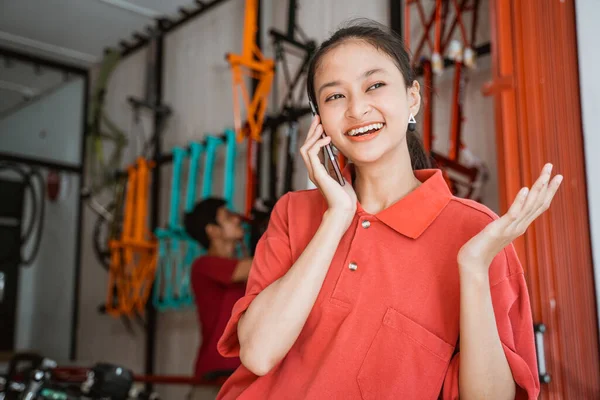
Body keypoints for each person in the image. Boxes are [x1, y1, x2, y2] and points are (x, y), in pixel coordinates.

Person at [215, 19, 563, 400]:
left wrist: (475, 268)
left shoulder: (475, 229)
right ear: (320, 122)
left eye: (375, 85)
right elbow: (259, 354)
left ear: (412, 97)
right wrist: (337, 217)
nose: (357, 108)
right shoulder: (294, 212)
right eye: (335, 97)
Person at [183, 197, 253, 387]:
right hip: (216, 372)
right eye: (228, 217)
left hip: (243, 370)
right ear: (212, 230)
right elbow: (259, 265)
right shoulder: (203, 265)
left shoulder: (243, 268)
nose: (237, 219)